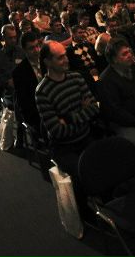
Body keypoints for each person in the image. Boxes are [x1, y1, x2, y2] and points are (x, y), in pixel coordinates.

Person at [35, 41, 100, 177]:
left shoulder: (76, 77)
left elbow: (95, 109)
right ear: (47, 62)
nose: (66, 60)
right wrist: (83, 113)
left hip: (86, 137)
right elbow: (57, 131)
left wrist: (68, 118)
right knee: (85, 175)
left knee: (104, 167)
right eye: (60, 57)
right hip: (64, 148)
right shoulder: (42, 91)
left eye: (65, 55)